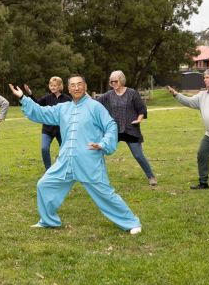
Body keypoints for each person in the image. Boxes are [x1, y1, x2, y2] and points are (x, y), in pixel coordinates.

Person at [8, 75, 142, 234]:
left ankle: (131, 223)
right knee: (44, 185)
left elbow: (111, 126)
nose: (76, 88)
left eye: (79, 84)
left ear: (85, 86)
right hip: (66, 161)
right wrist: (23, 97)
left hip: (89, 161)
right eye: (73, 85)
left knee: (105, 194)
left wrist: (103, 144)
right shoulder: (64, 108)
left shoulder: (95, 107)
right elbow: (41, 112)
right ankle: (49, 221)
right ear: (69, 88)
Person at [97, 70, 157, 186]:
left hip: (130, 129)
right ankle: (98, 178)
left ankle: (151, 177)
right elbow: (94, 103)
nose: (113, 83)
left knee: (138, 155)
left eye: (116, 81)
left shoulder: (132, 93)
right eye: (111, 82)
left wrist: (139, 120)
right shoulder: (108, 95)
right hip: (114, 130)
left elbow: (141, 109)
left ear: (122, 80)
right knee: (99, 152)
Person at [23, 77, 72, 170]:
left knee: (66, 150)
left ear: (60, 86)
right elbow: (36, 104)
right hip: (47, 130)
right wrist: (30, 93)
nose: (52, 87)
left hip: (61, 130)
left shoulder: (67, 99)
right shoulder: (47, 98)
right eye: (51, 85)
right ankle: (48, 169)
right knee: (44, 148)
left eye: (55, 85)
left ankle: (63, 166)